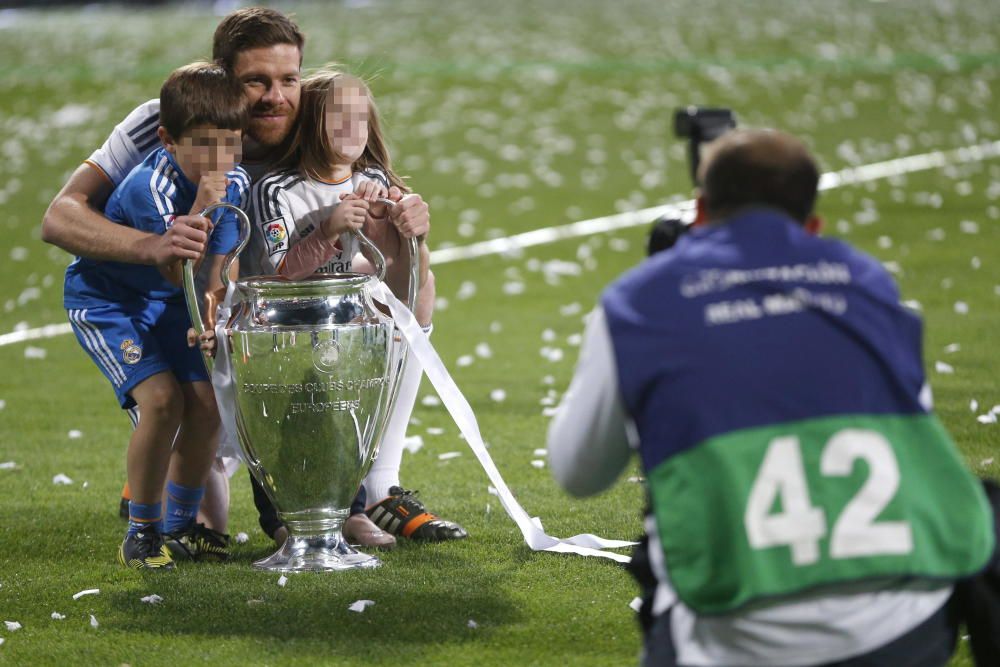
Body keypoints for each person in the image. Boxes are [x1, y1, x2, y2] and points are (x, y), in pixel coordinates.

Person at [547, 129, 996, 666]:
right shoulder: (867, 282)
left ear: (699, 207)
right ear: (812, 225)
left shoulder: (639, 302)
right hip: (907, 623)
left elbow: (578, 472)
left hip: (736, 639)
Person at [41, 7, 440, 548]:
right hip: (158, 300)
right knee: (191, 452)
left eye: (288, 80)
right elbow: (59, 216)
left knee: (397, 299)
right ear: (222, 77)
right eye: (256, 81)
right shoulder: (170, 119)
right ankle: (178, 480)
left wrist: (408, 220)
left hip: (250, 288)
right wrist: (154, 245)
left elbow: (386, 221)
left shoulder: (317, 119)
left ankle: (378, 487)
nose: (275, 97)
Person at [247, 69, 467, 548]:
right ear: (310, 125)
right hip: (288, 327)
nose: (351, 129)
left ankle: (368, 495)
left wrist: (413, 234)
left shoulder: (376, 180)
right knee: (297, 417)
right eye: (336, 118)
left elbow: (408, 278)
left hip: (352, 325)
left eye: (360, 118)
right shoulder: (276, 189)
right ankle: (288, 511)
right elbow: (279, 271)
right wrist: (326, 231)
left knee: (422, 290)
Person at [63, 62, 250, 569]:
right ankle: (142, 531)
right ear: (167, 139)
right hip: (110, 303)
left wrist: (208, 322)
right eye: (205, 145)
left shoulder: (236, 180)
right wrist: (199, 205)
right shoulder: (150, 188)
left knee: (207, 404)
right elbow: (176, 270)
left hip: (170, 302)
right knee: (163, 402)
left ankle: (181, 524)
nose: (221, 159)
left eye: (231, 143)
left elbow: (212, 274)